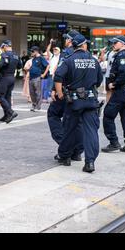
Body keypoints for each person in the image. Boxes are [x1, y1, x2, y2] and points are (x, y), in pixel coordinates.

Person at [54, 34, 103, 173]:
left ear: (74, 46)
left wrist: (60, 93)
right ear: (84, 45)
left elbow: (58, 76)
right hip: (91, 100)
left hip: (74, 100)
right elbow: (99, 81)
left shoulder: (69, 60)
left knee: (69, 129)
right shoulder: (94, 61)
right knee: (91, 131)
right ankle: (90, 162)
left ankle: (64, 156)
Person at [47, 30, 83, 161]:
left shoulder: (66, 53)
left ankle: (65, 148)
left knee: (53, 114)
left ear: (70, 41)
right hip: (81, 94)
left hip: (65, 92)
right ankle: (77, 151)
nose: (66, 41)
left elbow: (59, 74)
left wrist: (54, 90)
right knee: (77, 122)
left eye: (67, 39)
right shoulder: (85, 55)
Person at [102, 36, 125, 154]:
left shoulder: (122, 56)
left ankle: (114, 142)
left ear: (123, 44)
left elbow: (124, 73)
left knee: (107, 115)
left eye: (115, 43)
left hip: (121, 91)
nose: (113, 45)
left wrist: (114, 84)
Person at [0, 40, 22, 123]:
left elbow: (0, 65)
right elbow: (20, 66)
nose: (2, 49)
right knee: (7, 97)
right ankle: (7, 115)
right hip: (12, 77)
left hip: (4, 77)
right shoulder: (16, 55)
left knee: (0, 96)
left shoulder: (4, 55)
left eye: (3, 47)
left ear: (5, 46)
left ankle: (10, 112)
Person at [28, 46, 49, 111]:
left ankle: (38, 106)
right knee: (32, 93)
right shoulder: (33, 59)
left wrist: (44, 74)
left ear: (36, 51)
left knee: (38, 92)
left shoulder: (41, 58)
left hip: (37, 77)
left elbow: (48, 65)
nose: (31, 53)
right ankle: (34, 105)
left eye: (32, 51)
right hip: (31, 77)